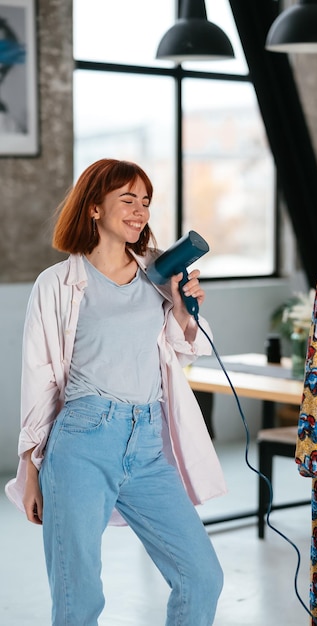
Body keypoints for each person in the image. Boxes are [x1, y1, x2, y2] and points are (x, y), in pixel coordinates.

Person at [5, 158, 227, 626]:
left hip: (148, 441)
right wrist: (30, 466)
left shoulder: (158, 274)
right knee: (78, 596)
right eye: (127, 199)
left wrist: (186, 311)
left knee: (201, 575)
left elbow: (187, 347)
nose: (139, 211)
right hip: (82, 442)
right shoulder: (57, 285)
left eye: (145, 202)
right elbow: (39, 377)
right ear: (93, 207)